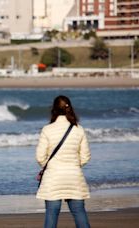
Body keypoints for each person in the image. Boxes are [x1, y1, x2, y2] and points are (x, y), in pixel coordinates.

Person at [36, 95, 91, 228]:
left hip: (53, 177)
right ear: (69, 108)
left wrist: (49, 166)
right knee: (79, 212)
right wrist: (74, 165)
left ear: (53, 109)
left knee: (52, 213)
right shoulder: (79, 129)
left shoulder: (47, 129)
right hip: (74, 176)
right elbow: (85, 156)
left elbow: (40, 157)